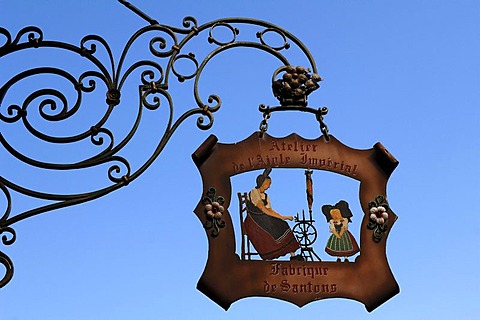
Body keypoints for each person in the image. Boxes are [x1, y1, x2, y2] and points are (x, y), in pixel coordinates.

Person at [244, 168, 303, 261]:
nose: (269, 186)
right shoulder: (254, 192)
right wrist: (281, 217)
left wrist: (283, 217)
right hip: (254, 219)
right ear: (262, 183)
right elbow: (262, 208)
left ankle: (293, 254)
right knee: (277, 225)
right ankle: (270, 254)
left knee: (282, 224)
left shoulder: (266, 196)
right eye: (268, 184)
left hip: (264, 217)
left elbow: (270, 210)